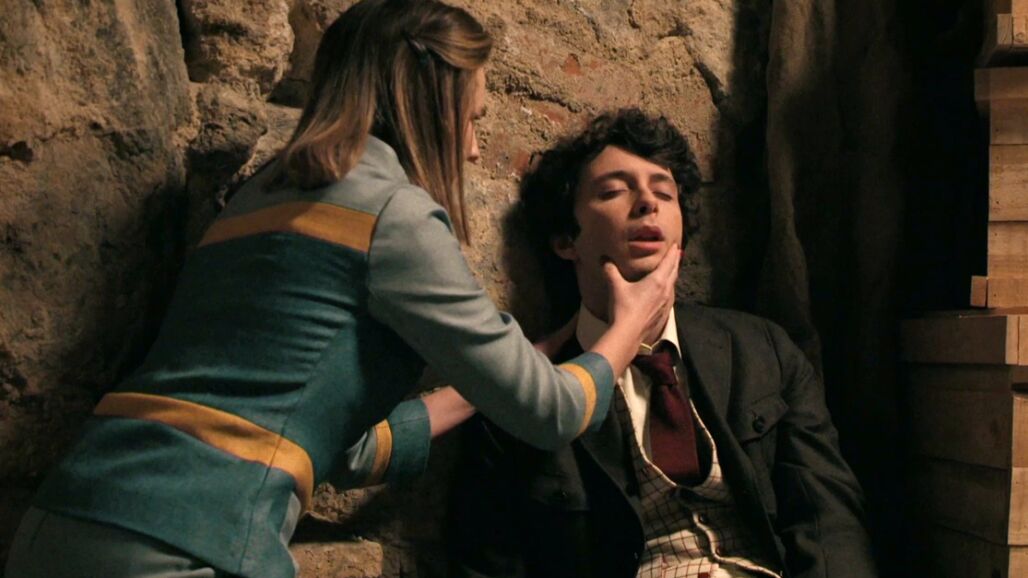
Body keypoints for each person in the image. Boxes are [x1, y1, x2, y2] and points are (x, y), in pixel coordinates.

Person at [3, 3, 679, 578]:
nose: (475, 150)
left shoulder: (259, 194)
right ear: (429, 103)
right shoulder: (392, 214)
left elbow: (335, 445)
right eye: (473, 119)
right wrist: (632, 320)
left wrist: (497, 373)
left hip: (66, 519)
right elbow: (551, 413)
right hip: (185, 539)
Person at [449, 109, 878, 578]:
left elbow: (829, 519)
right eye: (613, 191)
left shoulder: (763, 351)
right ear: (565, 240)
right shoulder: (523, 395)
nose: (647, 204)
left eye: (664, 193)